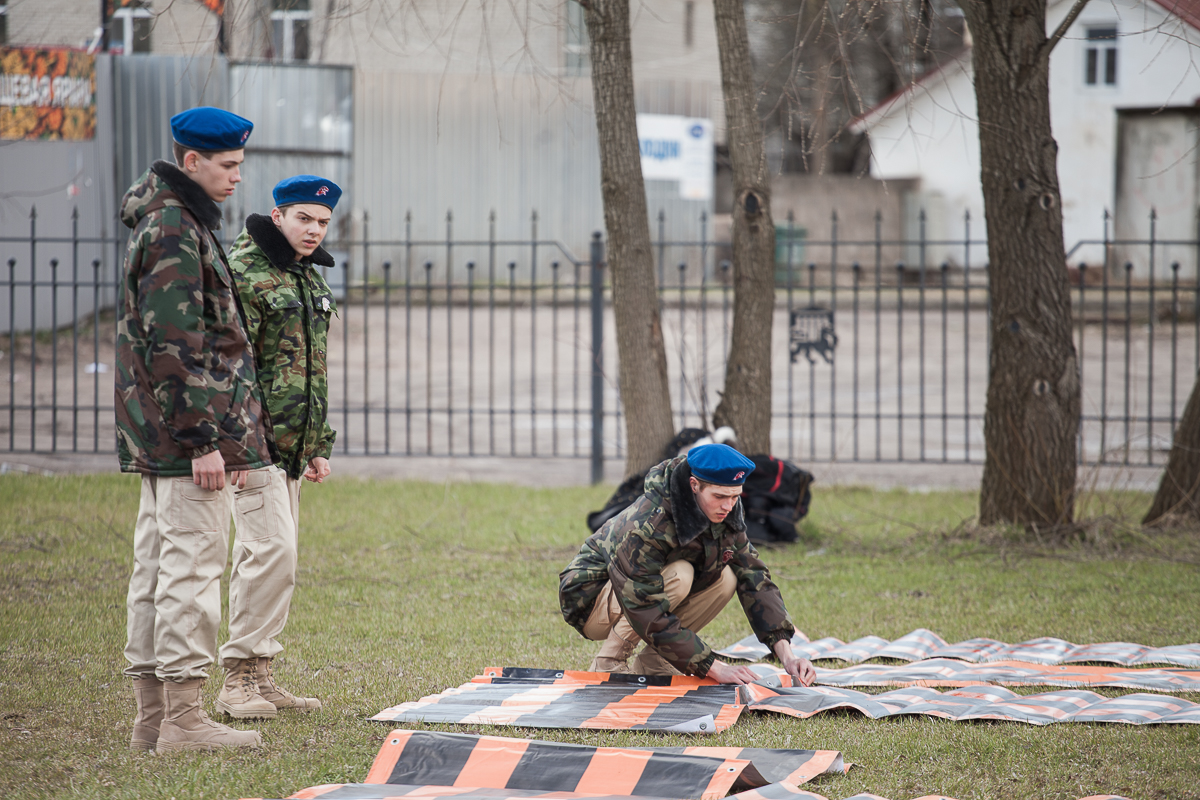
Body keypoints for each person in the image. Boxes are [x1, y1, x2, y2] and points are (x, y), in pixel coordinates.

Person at [117, 106, 276, 752]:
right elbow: (176, 344)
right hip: (184, 441)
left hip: (170, 437)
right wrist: (205, 441)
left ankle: (153, 720)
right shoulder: (175, 228)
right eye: (229, 165)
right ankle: (182, 718)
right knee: (188, 569)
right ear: (192, 163)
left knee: (157, 568)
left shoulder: (175, 221)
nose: (239, 177)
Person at [218, 175, 340, 718]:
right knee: (269, 554)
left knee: (279, 562)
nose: (314, 231)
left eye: (322, 223)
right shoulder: (245, 273)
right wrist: (237, 444)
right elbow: (228, 366)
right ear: (277, 216)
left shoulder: (307, 276)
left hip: (290, 447)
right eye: (304, 219)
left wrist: (317, 444)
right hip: (253, 443)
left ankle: (262, 675)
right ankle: (236, 681)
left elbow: (310, 370)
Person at [558, 443, 816, 685]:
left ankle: (656, 660)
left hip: (640, 593)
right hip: (589, 600)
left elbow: (755, 578)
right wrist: (713, 667)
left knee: (727, 578)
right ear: (694, 485)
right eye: (720, 496)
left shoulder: (725, 511)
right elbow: (643, 604)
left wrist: (787, 655)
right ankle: (608, 663)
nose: (728, 506)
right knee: (680, 576)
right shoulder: (650, 521)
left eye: (735, 497)